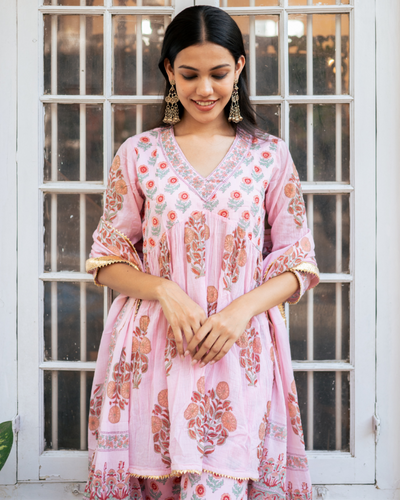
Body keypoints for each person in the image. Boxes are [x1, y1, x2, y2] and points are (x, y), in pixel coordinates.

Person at [84, 5, 319, 500]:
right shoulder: (138, 153)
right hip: (150, 355)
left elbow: (300, 263)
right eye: (189, 75)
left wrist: (240, 311)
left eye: (218, 73)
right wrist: (164, 290)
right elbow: (107, 260)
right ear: (169, 71)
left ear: (239, 67)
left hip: (241, 354)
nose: (204, 90)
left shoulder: (269, 155)